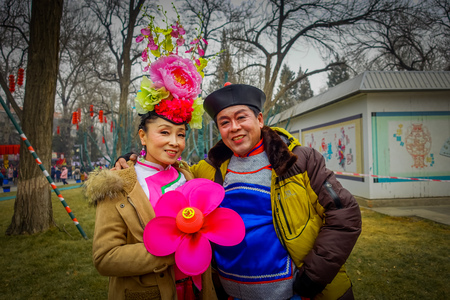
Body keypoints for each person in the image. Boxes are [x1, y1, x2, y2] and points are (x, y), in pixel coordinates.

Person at [116, 83, 362, 300]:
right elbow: (169, 170)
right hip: (230, 293)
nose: (234, 128)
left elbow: (345, 215)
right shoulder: (209, 169)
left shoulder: (299, 161)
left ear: (260, 120)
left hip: (294, 292)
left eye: (241, 117)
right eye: (224, 122)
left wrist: (314, 276)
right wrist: (134, 160)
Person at [84, 15, 217, 300]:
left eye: (181, 134)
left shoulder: (188, 175)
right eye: (164, 132)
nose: (174, 142)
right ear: (143, 136)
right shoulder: (118, 183)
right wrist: (171, 251)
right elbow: (105, 257)